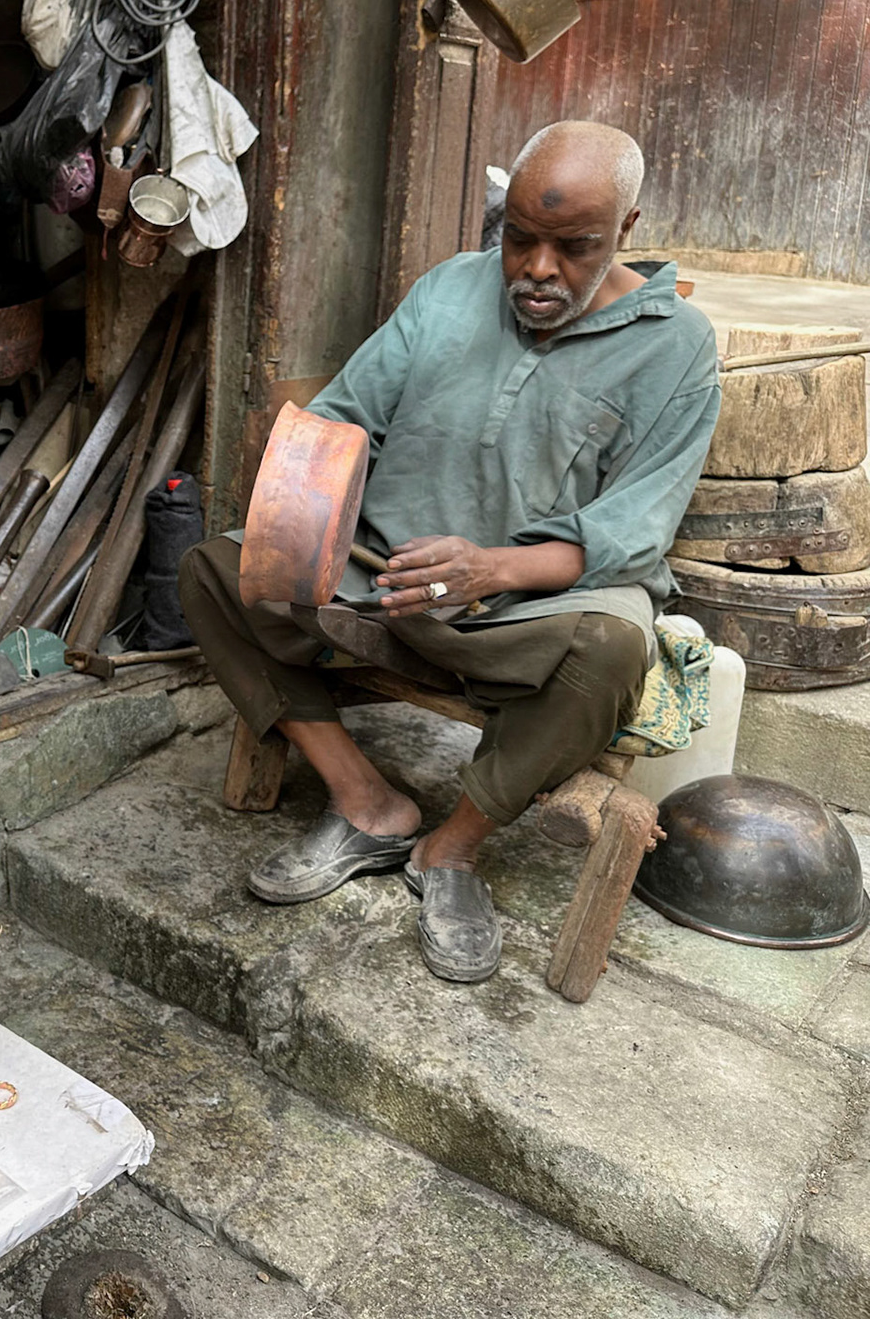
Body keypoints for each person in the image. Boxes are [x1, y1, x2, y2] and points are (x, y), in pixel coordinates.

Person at [178, 120, 720, 984]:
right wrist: (297, 502)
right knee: (216, 569)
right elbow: (346, 415)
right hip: (384, 576)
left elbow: (635, 530)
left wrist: (491, 568)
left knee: (616, 648)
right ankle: (369, 803)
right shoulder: (448, 290)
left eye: (574, 247)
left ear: (627, 228)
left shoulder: (676, 347)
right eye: (520, 239)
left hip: (524, 602)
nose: (538, 269)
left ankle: (451, 847)